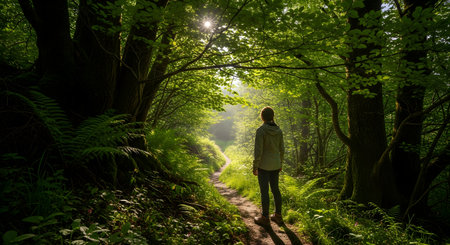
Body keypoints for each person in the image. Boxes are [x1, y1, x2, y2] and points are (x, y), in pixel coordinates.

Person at [253, 106, 284, 226]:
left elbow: (258, 150)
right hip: (276, 164)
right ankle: (278, 216)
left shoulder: (261, 130)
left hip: (264, 165)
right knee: (276, 189)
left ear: (262, 117)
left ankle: (265, 218)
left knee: (264, 191)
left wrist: (255, 165)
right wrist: (280, 163)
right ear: (272, 117)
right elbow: (282, 149)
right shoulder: (279, 130)